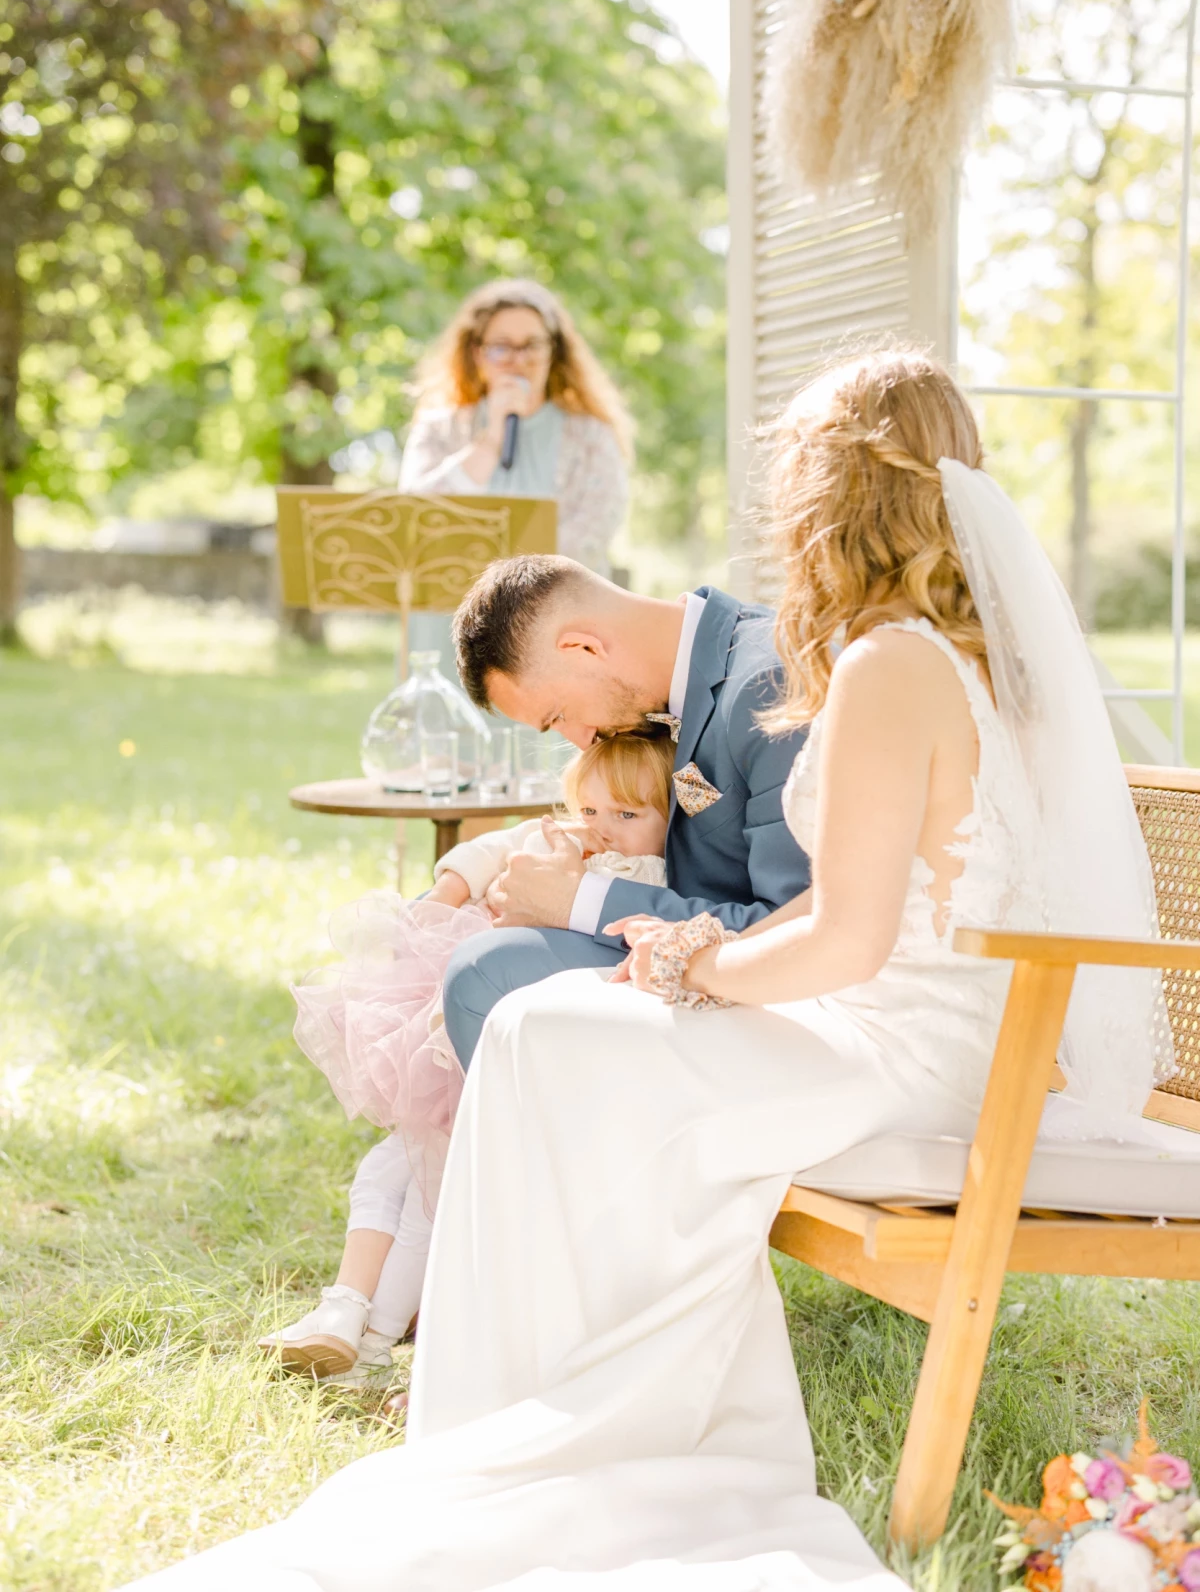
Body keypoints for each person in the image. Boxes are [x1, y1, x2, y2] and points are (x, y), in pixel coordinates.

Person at [123, 349, 1169, 1592]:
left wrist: (689, 963)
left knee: (555, 1036)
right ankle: (527, 1420)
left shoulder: (896, 667)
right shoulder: (956, 658)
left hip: (911, 1056)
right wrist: (689, 962)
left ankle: (596, 1430)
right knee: (544, 1029)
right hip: (893, 1028)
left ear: (830, 496)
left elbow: (847, 940)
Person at [257, 732, 675, 1386]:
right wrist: (452, 889)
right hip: (447, 1041)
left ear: (669, 818)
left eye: (628, 815)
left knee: (431, 1193)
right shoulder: (570, 841)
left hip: (503, 1058)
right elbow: (497, 846)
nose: (604, 831)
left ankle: (369, 1339)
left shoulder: (647, 883)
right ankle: (344, 1312)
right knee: (384, 1171)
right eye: (591, 811)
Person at [440, 554, 813, 1065]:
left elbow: (797, 925)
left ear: (584, 647)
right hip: (664, 932)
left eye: (559, 716)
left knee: (482, 971)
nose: (581, 740)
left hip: (745, 972)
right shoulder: (659, 690)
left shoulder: (768, 687)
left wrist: (579, 900)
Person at [398, 278, 631, 576]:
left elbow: (592, 536)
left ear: (553, 353)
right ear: (477, 354)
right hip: (445, 615)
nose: (518, 360)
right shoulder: (438, 428)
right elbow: (411, 521)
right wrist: (491, 439)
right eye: (501, 347)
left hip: (551, 614)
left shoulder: (591, 436)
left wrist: (501, 587)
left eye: (532, 345)